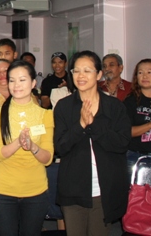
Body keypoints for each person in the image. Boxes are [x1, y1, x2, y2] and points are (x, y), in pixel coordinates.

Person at [53, 50, 131, 236]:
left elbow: (122, 143)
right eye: (76, 71)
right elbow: (60, 147)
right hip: (73, 189)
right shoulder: (64, 106)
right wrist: (80, 124)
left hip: (105, 190)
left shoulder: (114, 106)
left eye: (87, 70)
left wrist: (93, 125)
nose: (81, 75)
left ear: (98, 74)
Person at [0, 60, 54, 236]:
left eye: (22, 80)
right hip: (4, 191)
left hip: (36, 192)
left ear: (33, 83)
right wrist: (18, 142)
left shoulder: (45, 115)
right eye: (12, 80)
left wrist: (32, 146)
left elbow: (48, 159)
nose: (16, 85)